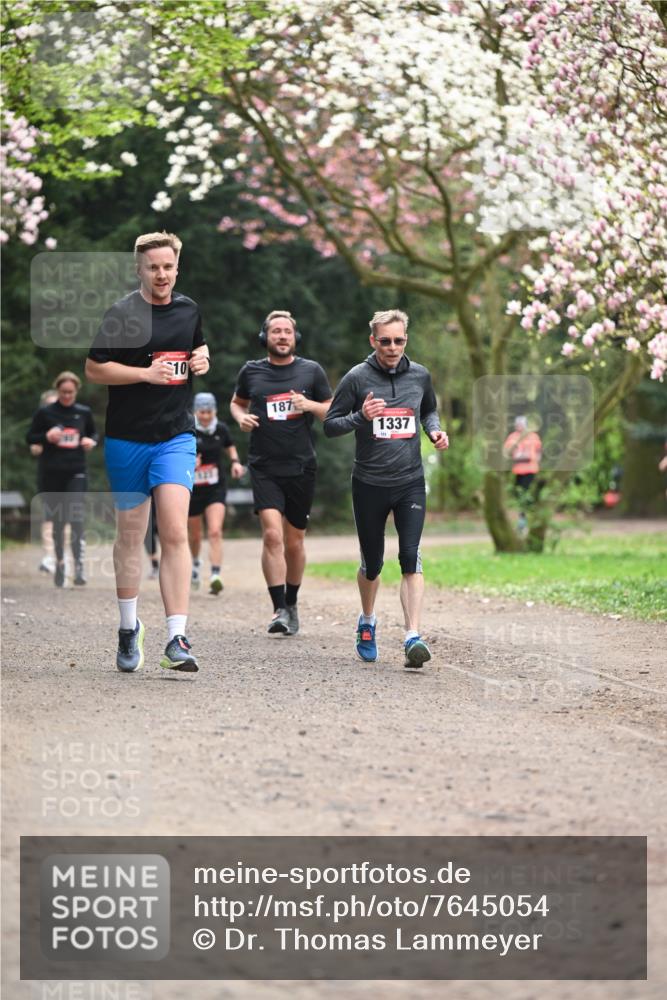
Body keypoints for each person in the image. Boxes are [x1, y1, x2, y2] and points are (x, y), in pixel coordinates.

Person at [85, 231, 210, 673]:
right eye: (153, 267)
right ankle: (127, 627)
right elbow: (95, 368)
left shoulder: (189, 308)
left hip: (176, 435)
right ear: (139, 269)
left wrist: (202, 360)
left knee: (175, 531)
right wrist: (145, 374)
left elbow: (197, 346)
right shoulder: (121, 314)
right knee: (131, 535)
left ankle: (176, 636)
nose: (161, 274)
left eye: (168, 266)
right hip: (126, 438)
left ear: (177, 268)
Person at [323, 309, 449, 668]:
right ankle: (367, 621)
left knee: (411, 555)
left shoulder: (420, 376)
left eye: (399, 340)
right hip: (369, 484)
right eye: (385, 341)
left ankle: (412, 636)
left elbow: (429, 411)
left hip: (409, 481)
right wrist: (361, 416)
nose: (392, 347)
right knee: (374, 563)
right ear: (372, 340)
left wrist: (435, 431)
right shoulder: (356, 378)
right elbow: (330, 425)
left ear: (406, 339)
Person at [230, 310, 333, 635]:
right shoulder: (252, 371)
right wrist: (240, 418)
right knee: (272, 535)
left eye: (287, 331)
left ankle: (292, 603)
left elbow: (332, 409)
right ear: (266, 337)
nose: (282, 336)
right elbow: (236, 403)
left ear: (295, 337)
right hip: (264, 465)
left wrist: (310, 406)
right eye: (276, 331)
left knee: (294, 541)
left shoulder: (311, 371)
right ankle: (278, 610)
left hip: (301, 465)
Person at [26, 373, 97, 587]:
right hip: (51, 473)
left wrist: (90, 441)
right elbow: (30, 437)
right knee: (57, 522)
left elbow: (94, 434)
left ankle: (79, 567)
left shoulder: (83, 412)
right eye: (63, 392)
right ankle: (59, 564)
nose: (67, 396)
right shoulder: (45, 413)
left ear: (76, 391)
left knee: (75, 517)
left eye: (71, 392)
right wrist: (46, 437)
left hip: (76, 471)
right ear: (58, 391)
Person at [189, 391, 245, 594]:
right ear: (195, 411)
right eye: (202, 412)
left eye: (209, 412)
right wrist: (189, 461)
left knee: (215, 531)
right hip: (192, 489)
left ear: (214, 411)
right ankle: (195, 564)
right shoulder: (188, 429)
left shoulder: (220, 429)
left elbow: (230, 446)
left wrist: (236, 463)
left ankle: (215, 574)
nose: (205, 416)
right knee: (195, 535)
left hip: (215, 487)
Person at [29, 388, 58, 574]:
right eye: (49, 404)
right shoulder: (40, 425)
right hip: (48, 472)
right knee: (49, 516)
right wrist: (46, 440)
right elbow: (34, 449)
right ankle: (49, 556)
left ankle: (63, 556)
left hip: (71, 473)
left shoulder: (74, 420)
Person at [502, 415, 542, 533]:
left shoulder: (533, 436)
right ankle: (522, 521)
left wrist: (534, 460)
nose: (520, 427)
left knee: (527, 496)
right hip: (518, 470)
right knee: (519, 496)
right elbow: (507, 452)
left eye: (522, 424)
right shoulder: (512, 437)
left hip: (531, 470)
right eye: (518, 424)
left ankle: (527, 521)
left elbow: (539, 452)